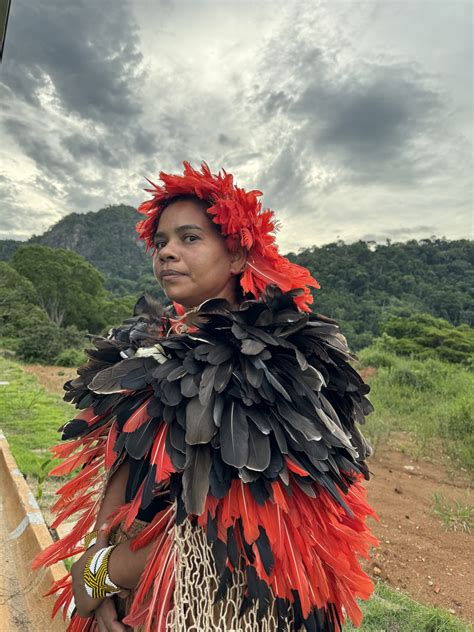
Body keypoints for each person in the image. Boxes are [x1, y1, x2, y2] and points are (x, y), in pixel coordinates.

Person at [34, 162, 378, 632]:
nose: (167, 253)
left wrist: (100, 575)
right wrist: (100, 555)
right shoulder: (152, 343)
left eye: (189, 238)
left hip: (214, 602)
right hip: (131, 575)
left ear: (237, 255)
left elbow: (240, 536)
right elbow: (125, 459)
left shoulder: (277, 366)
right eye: (160, 243)